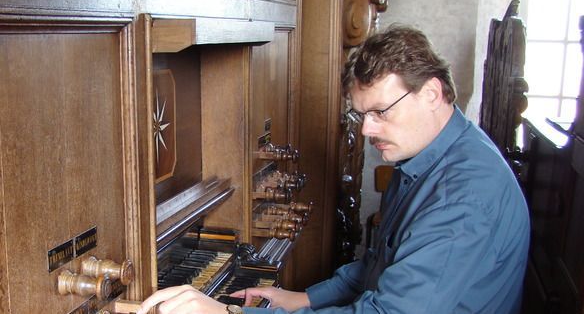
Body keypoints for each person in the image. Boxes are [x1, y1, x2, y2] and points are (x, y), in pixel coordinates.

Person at [137, 24, 530, 314]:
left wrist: (227, 313)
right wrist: (305, 298)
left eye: (380, 112)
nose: (367, 130)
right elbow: (383, 264)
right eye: (361, 116)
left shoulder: (463, 196)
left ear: (431, 93)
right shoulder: (424, 158)